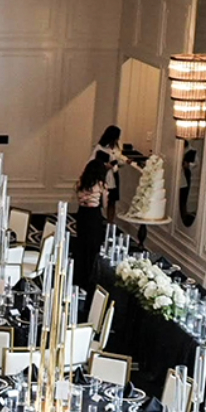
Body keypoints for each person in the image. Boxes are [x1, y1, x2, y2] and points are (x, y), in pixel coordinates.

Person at [74, 158, 108, 292]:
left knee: (82, 243)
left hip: (82, 215)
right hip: (94, 216)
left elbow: (79, 199)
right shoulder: (101, 185)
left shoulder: (80, 183)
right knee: (94, 246)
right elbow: (104, 205)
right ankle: (91, 276)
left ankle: (80, 275)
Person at [92, 125, 126, 222]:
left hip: (114, 176)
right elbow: (92, 162)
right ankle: (97, 220)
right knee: (99, 200)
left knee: (112, 200)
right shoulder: (100, 147)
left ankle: (110, 222)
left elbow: (119, 160)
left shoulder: (116, 147)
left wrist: (122, 161)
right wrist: (104, 166)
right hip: (103, 176)